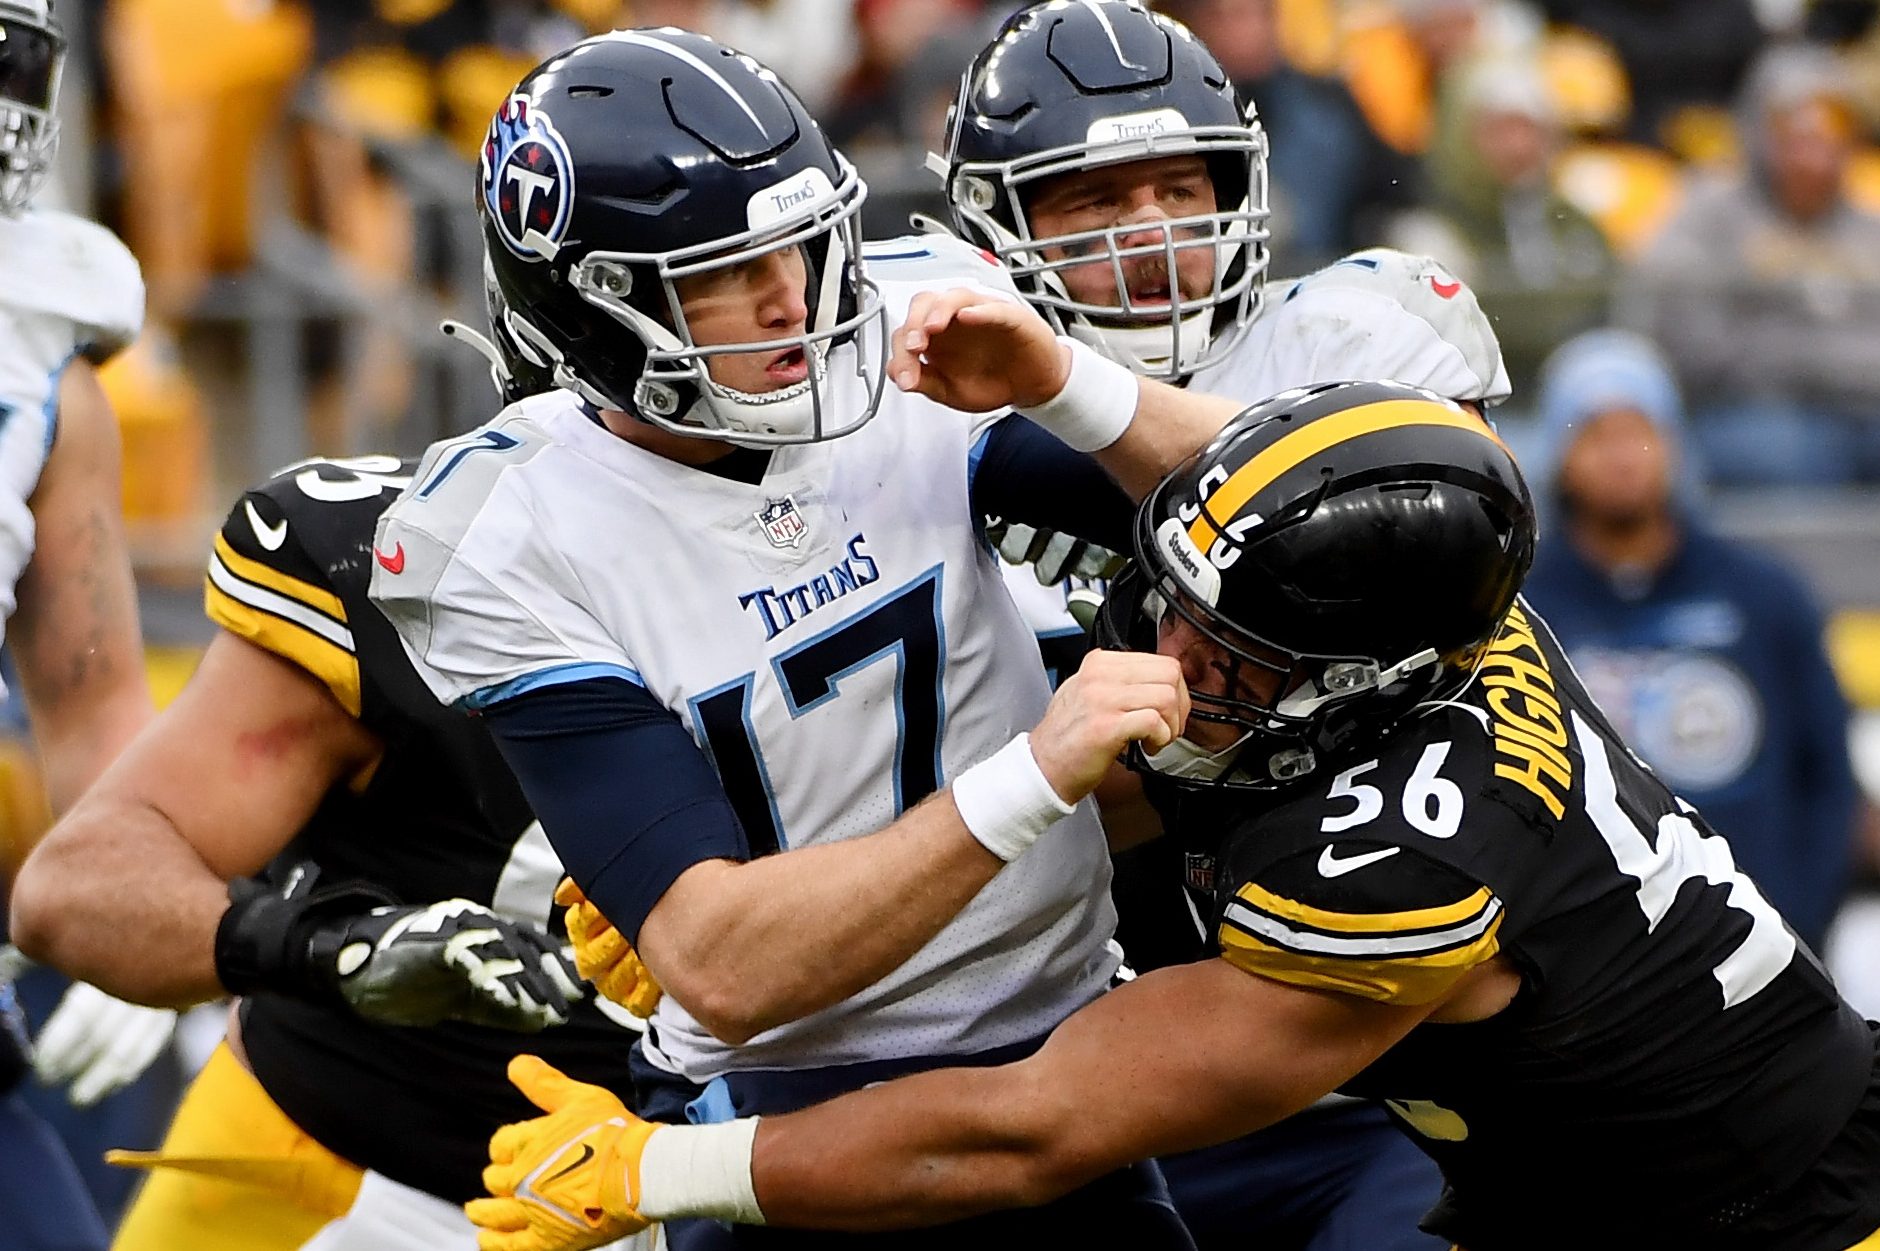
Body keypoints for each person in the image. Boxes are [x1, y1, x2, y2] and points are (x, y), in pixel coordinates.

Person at [467, 380, 1880, 1251]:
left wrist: (673, 1163)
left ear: (1360, 677)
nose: (1175, 655)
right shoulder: (1437, 614)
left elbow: (1029, 1127)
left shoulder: (1397, 863)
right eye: (1178, 602)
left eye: (1235, 650)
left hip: (1762, 1217)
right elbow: (1116, 793)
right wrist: (788, 910)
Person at [371, 25, 1245, 1250]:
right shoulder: (506, 531)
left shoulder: (906, 331)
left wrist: (1064, 384)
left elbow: (1301, 509)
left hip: (1060, 1056)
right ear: (595, 306)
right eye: (730, 273)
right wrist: (1032, 775)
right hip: (780, 1115)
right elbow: (724, 963)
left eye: (803, 245)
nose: (797, 300)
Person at [935, 5, 1504, 1246]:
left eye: (1176, 183)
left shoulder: (1345, 339)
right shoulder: (911, 417)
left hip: (1356, 1053)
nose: (1147, 231)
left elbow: (1447, 578)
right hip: (1046, 1057)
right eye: (1089, 199)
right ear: (995, 226)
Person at [1520, 328, 1860, 953]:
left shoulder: (1765, 596)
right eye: (1595, 434)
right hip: (1587, 963)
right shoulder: (1522, 608)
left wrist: (1802, 921)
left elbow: (1829, 777)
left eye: (1638, 430)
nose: (1622, 456)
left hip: (1764, 948)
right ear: (1558, 455)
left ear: (1675, 444)